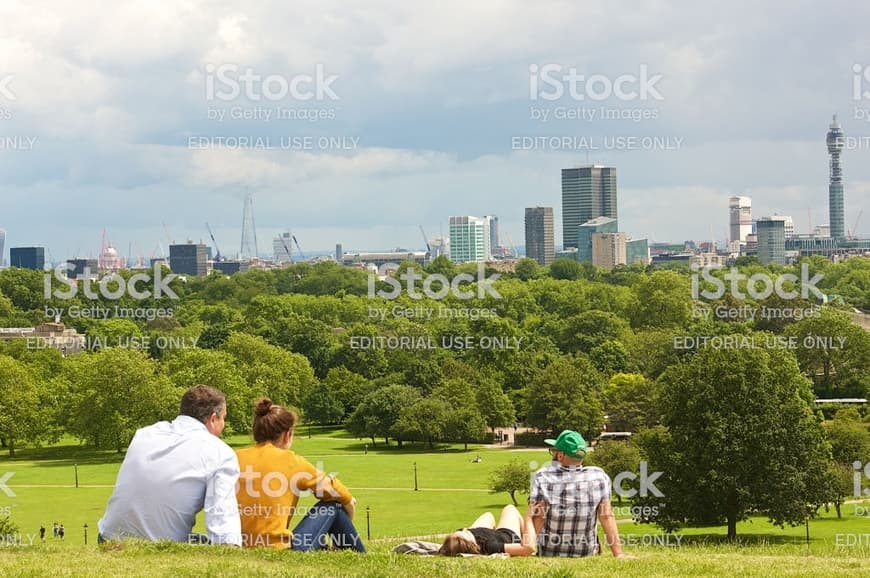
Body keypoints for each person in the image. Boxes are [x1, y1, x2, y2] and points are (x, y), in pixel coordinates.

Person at [97, 385, 241, 546]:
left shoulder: (144, 434)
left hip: (108, 538)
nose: (224, 425)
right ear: (213, 418)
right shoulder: (220, 452)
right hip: (158, 548)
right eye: (224, 419)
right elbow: (222, 520)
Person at [235, 398, 365, 552]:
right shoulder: (291, 461)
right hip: (280, 550)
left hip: (239, 545)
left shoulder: (234, 457)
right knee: (333, 507)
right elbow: (334, 490)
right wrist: (350, 504)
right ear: (287, 435)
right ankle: (361, 557)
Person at [528, 430, 623, 557]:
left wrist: (530, 551)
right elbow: (606, 517)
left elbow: (539, 517)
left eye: (554, 451)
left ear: (560, 456)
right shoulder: (599, 476)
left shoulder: (542, 476)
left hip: (549, 551)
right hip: (586, 552)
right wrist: (619, 554)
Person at [438, 505, 536, 556]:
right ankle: (528, 536)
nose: (465, 529)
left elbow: (445, 549)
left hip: (486, 534)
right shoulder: (489, 545)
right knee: (510, 508)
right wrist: (528, 518)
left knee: (488, 515)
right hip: (505, 535)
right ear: (472, 543)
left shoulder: (455, 544)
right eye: (465, 532)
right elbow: (527, 549)